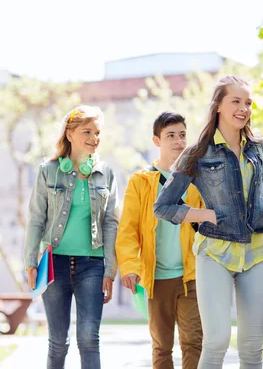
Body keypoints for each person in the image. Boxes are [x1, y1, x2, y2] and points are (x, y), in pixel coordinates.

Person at [153, 75, 263, 369]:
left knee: (251, 347)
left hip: (259, 251)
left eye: (247, 102)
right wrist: (206, 215)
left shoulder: (258, 147)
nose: (243, 108)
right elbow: (163, 206)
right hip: (215, 254)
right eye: (235, 101)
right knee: (217, 342)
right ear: (219, 107)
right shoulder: (198, 151)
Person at [24, 105, 119, 369]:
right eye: (87, 131)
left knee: (89, 338)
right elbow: (35, 219)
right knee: (58, 341)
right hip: (55, 265)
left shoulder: (106, 173)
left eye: (97, 132)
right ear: (69, 134)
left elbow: (112, 223)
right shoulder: (49, 171)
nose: (94, 138)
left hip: (93, 264)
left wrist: (110, 270)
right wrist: (30, 262)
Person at [116, 112, 204, 369]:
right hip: (157, 278)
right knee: (162, 346)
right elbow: (128, 230)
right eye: (170, 136)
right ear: (157, 140)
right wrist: (130, 266)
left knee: (194, 342)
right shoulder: (141, 181)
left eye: (182, 135)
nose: (178, 141)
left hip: (192, 275)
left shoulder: (196, 179)